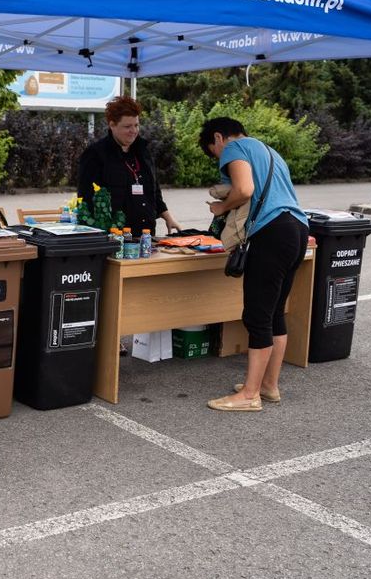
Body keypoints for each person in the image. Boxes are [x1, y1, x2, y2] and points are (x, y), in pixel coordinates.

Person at [199, 117, 309, 412]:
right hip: (297, 230)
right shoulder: (270, 152)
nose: (220, 159)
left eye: (214, 152)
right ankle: (268, 386)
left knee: (257, 315)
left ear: (219, 138)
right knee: (274, 312)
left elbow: (244, 189)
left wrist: (221, 207)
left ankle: (249, 395)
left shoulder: (236, 148)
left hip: (271, 233)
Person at [76, 96, 181, 236]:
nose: (134, 131)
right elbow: (85, 200)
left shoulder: (143, 150)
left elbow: (153, 189)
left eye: (136, 125)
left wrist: (167, 217)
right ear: (112, 125)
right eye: (127, 126)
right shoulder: (95, 154)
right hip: (115, 237)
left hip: (146, 234)